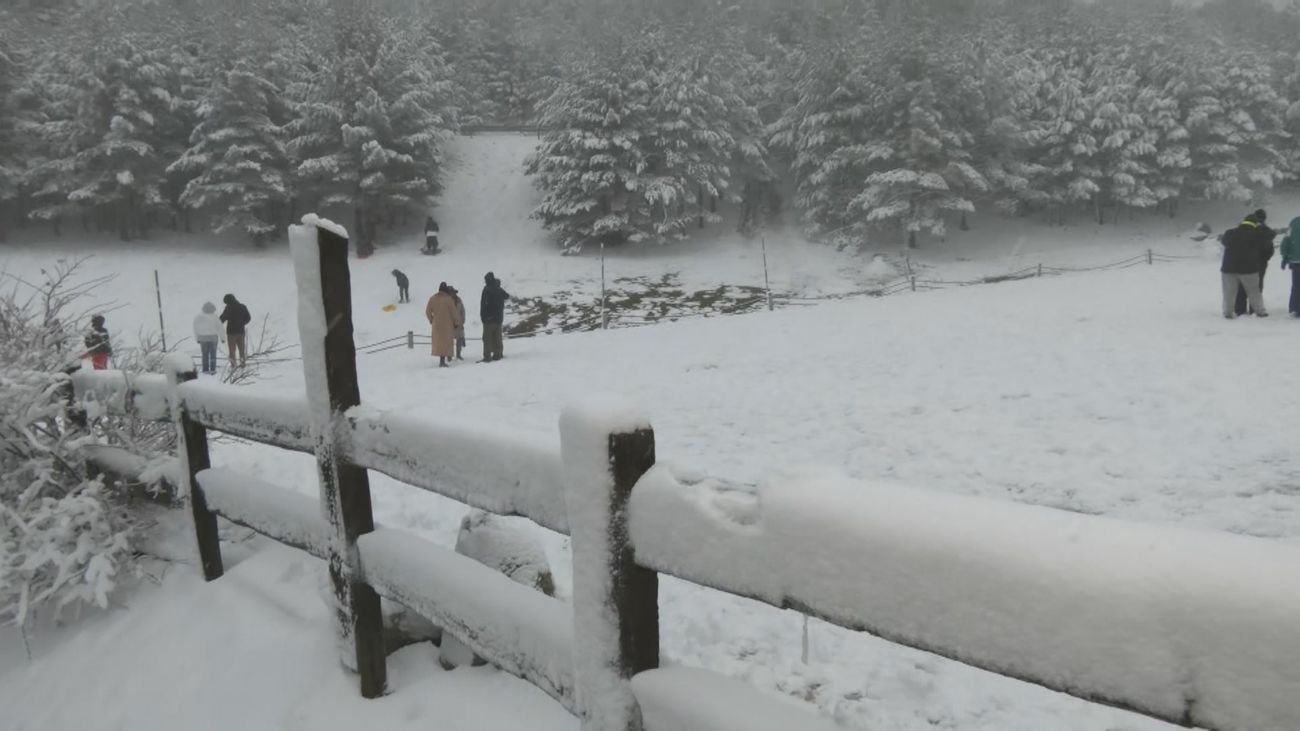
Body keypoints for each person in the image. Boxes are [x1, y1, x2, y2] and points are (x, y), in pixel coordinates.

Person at [1221, 213, 1271, 319]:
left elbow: (1224, 241)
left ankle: (1228, 313)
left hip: (1229, 268)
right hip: (1249, 269)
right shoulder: (1257, 234)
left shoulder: (1230, 233)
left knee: (1229, 292)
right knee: (1254, 292)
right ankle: (1260, 312)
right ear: (1255, 224)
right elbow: (1269, 238)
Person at [1234, 209, 1276, 316]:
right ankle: (1254, 308)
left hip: (1243, 261)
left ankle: (1240, 309)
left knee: (1242, 285)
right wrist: (1265, 258)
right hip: (1260, 263)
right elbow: (1269, 249)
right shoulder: (1265, 231)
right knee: (1257, 286)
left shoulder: (1244, 228)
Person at [426, 282, 461, 368]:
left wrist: (432, 320)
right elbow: (454, 313)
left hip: (436, 325)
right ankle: (443, 361)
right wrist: (456, 322)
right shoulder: (448, 300)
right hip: (447, 325)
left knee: (439, 342)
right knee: (445, 343)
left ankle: (442, 360)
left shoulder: (432, 299)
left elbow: (427, 311)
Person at [480, 271, 510, 362]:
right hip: (499, 318)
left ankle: (487, 356)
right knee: (498, 338)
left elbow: (483, 305)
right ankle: (498, 354)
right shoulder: (499, 289)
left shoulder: (487, 290)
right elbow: (507, 296)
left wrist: (483, 317)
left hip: (488, 319)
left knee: (487, 338)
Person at [219, 293, 253, 367]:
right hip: (241, 332)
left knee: (232, 350)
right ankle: (242, 364)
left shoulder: (228, 308)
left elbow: (222, 318)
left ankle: (233, 365)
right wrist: (242, 323)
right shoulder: (242, 307)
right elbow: (248, 318)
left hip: (231, 333)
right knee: (241, 349)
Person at [194, 302, 223, 375]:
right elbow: (220, 328)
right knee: (213, 355)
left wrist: (197, 338)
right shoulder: (215, 317)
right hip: (213, 338)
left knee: (205, 355)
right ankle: (212, 369)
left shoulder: (199, 317)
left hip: (203, 338)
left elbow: (196, 328)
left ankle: (205, 369)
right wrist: (223, 338)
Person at [1279, 216, 1300, 316]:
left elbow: (1286, 241)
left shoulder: (1294, 223)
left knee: (1297, 285)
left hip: (1296, 260)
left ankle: (1296, 308)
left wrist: (1285, 257)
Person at [450, 286, 467, 361]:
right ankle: (449, 355)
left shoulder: (459, 300)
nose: (452, 293)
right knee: (449, 340)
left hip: (459, 323)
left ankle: (458, 354)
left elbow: (462, 310)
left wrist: (462, 320)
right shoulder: (447, 301)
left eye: (453, 292)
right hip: (449, 323)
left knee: (459, 339)